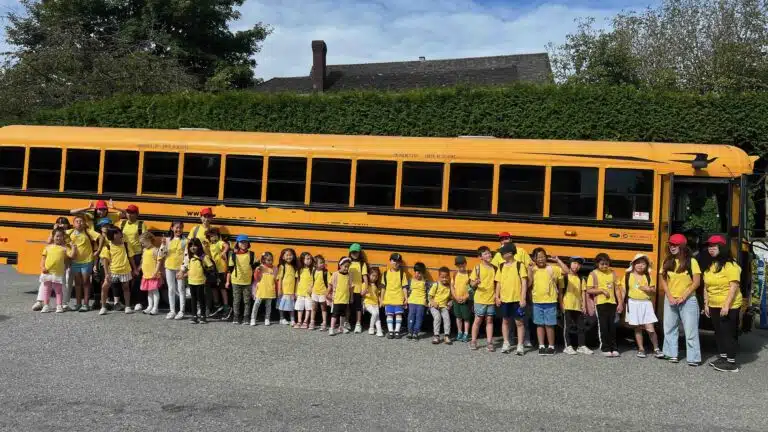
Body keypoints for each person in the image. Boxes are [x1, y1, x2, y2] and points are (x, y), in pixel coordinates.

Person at [701, 235, 743, 372]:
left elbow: (734, 286)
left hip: (729, 305)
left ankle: (731, 363)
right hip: (713, 304)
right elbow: (706, 286)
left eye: (714, 246)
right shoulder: (711, 265)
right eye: (709, 246)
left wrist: (726, 305)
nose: (711, 249)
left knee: (728, 333)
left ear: (722, 248)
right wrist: (706, 303)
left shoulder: (731, 265)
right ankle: (723, 357)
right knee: (718, 332)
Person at [660, 233, 702, 366]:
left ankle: (694, 358)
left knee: (691, 330)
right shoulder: (667, 261)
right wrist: (670, 296)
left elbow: (696, 282)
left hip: (688, 300)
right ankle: (671, 354)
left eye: (675, 245)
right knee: (669, 328)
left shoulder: (692, 261)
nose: (672, 247)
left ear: (682, 246)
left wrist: (684, 296)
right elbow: (663, 280)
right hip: (671, 299)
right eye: (671, 244)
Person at [624, 254, 662, 358]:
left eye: (643, 263)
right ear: (633, 264)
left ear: (646, 265)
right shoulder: (627, 275)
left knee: (650, 328)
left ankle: (656, 348)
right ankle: (641, 349)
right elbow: (623, 291)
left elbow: (653, 290)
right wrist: (620, 305)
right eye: (638, 263)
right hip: (633, 303)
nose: (640, 265)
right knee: (637, 328)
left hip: (646, 303)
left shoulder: (648, 276)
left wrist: (648, 289)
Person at [586, 253, 624, 357]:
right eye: (602, 264)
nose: (604, 266)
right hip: (600, 303)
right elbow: (589, 289)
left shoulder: (613, 273)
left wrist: (620, 303)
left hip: (612, 303)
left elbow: (617, 289)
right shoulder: (593, 274)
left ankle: (614, 348)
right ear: (597, 264)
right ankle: (605, 348)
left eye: (606, 264)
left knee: (612, 326)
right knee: (603, 326)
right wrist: (601, 290)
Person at [494, 243, 528, 355]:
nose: (501, 254)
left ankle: (520, 345)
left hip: (516, 299)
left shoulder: (519, 265)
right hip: (504, 299)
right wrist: (497, 296)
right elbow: (498, 282)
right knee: (505, 321)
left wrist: (523, 298)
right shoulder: (501, 266)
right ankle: (506, 343)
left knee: (519, 322)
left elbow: (524, 282)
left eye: (503, 252)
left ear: (510, 253)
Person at [555, 257, 592, 355]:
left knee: (581, 327)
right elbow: (561, 293)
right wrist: (561, 304)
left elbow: (583, 293)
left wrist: (584, 305)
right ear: (570, 264)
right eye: (574, 263)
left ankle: (581, 345)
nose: (576, 266)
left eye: (579, 264)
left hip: (577, 306)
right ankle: (567, 346)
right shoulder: (565, 277)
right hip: (567, 305)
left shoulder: (581, 278)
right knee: (566, 327)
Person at [63, 214, 100, 312]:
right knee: (78, 283)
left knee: (86, 282)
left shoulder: (88, 232)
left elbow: (101, 237)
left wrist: (98, 250)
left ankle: (86, 304)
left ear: (84, 223)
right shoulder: (69, 232)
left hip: (87, 260)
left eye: (81, 221)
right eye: (77, 221)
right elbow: (57, 233)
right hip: (75, 261)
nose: (79, 223)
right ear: (73, 224)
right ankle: (78, 303)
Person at [529, 248, 562, 356]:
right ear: (534, 259)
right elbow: (529, 284)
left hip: (550, 301)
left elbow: (566, 271)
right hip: (537, 301)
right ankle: (541, 345)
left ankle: (551, 346)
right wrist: (529, 270)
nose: (541, 259)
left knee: (550, 325)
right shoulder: (533, 269)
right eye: (538, 257)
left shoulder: (552, 268)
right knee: (539, 324)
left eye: (543, 256)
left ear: (546, 257)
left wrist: (558, 260)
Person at [98, 227, 138, 316]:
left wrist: (134, 269)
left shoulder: (126, 245)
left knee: (126, 288)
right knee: (105, 287)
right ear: (113, 235)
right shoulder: (107, 247)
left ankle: (127, 306)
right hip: (112, 271)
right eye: (119, 233)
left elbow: (131, 258)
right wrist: (106, 273)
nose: (121, 234)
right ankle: (103, 307)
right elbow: (105, 261)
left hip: (125, 270)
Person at [38, 228, 76, 313]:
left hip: (58, 273)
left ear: (63, 237)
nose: (59, 238)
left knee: (58, 290)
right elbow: (43, 259)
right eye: (57, 236)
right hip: (47, 272)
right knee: (46, 289)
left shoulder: (64, 248)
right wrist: (42, 267)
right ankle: (46, 305)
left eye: (61, 236)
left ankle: (59, 306)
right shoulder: (47, 248)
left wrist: (73, 247)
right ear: (53, 237)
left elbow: (71, 256)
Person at [117, 204, 146, 311]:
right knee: (125, 278)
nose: (130, 214)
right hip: (124, 254)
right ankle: (126, 301)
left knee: (137, 278)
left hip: (137, 254)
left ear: (137, 214)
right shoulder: (122, 223)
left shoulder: (141, 225)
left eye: (132, 212)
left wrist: (143, 257)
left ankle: (139, 301)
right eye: (128, 212)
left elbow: (144, 241)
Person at [470, 246, 496, 352]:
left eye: (489, 253)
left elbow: (496, 283)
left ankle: (489, 342)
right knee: (478, 320)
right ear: (480, 257)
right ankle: (473, 340)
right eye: (485, 254)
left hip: (491, 298)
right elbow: (471, 284)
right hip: (480, 299)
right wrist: (475, 283)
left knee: (489, 320)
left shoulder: (494, 268)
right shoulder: (477, 268)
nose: (488, 255)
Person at [226, 235, 257, 325]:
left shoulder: (251, 254)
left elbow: (255, 266)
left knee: (247, 300)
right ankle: (236, 316)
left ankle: (246, 317)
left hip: (247, 281)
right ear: (237, 244)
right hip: (235, 281)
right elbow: (229, 269)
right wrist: (227, 281)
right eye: (241, 242)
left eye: (245, 242)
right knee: (236, 300)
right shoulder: (233, 255)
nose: (243, 244)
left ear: (248, 244)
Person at [183, 238, 214, 324]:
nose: (193, 248)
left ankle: (203, 316)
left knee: (201, 299)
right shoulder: (189, 257)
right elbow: (188, 267)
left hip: (201, 281)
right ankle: (194, 316)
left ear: (199, 246)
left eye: (195, 245)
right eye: (191, 246)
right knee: (193, 299)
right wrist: (184, 274)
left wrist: (206, 273)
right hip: (191, 281)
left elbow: (211, 266)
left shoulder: (203, 256)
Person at [381, 253, 409, 339]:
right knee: (389, 315)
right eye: (394, 261)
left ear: (400, 263)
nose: (396, 263)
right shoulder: (385, 274)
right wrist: (381, 299)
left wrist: (406, 299)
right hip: (388, 298)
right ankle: (390, 331)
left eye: (398, 261)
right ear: (390, 261)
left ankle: (397, 331)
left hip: (399, 299)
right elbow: (383, 288)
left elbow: (404, 287)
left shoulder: (402, 274)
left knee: (398, 315)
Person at [163, 221, 187, 320]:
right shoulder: (167, 240)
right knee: (171, 289)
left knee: (181, 289)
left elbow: (187, 256)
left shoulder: (185, 241)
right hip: (169, 267)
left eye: (180, 228)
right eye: (176, 227)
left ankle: (181, 311)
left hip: (179, 269)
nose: (178, 230)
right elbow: (162, 254)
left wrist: (183, 269)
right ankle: (172, 310)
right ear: (172, 228)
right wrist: (163, 245)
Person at [206, 228, 230, 319]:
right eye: (211, 236)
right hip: (214, 270)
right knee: (214, 287)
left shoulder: (219, 243)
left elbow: (226, 245)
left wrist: (224, 252)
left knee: (222, 288)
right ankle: (217, 305)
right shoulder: (211, 245)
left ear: (218, 236)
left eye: (215, 235)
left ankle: (226, 307)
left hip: (221, 269)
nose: (213, 237)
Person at [139, 232, 164, 315]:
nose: (142, 245)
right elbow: (143, 261)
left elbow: (159, 262)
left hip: (153, 274)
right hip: (146, 274)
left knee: (155, 291)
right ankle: (150, 306)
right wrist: (140, 268)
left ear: (149, 240)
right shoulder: (145, 250)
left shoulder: (155, 250)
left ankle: (155, 308)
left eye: (143, 243)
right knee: (149, 291)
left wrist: (156, 272)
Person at [327, 257, 353, 336]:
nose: (346, 268)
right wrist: (328, 293)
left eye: (348, 267)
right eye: (345, 266)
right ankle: (331, 328)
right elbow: (330, 284)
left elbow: (351, 287)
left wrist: (351, 297)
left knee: (343, 315)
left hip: (345, 299)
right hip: (337, 298)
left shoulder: (349, 275)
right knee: (335, 314)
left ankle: (341, 327)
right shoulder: (335, 274)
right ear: (340, 265)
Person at [347, 243, 369, 334]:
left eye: (356, 252)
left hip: (358, 289)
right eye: (352, 252)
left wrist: (365, 288)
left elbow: (365, 277)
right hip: (348, 289)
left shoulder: (362, 264)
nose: (354, 254)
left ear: (360, 253)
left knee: (358, 308)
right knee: (347, 306)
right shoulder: (348, 262)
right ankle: (346, 322)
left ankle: (358, 323)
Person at [251, 251, 277, 326]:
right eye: (268, 260)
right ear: (263, 260)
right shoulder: (260, 267)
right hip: (261, 289)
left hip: (270, 289)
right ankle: (253, 318)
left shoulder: (274, 268)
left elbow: (275, 279)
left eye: (271, 260)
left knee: (268, 306)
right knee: (256, 304)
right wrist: (257, 271)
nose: (270, 261)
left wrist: (276, 289)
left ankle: (267, 319)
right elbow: (256, 278)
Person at [429, 266, 453, 345]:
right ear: (439, 277)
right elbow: (429, 297)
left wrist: (450, 302)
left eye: (446, 277)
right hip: (434, 306)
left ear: (448, 277)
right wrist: (433, 303)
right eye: (442, 277)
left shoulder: (449, 287)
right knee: (437, 317)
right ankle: (436, 336)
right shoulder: (436, 285)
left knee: (447, 319)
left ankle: (447, 336)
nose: (444, 279)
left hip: (444, 306)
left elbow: (450, 298)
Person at [451, 256, 472, 342]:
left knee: (466, 318)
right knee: (458, 317)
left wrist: (466, 297)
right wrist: (455, 297)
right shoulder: (455, 274)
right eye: (459, 266)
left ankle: (466, 333)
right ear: (457, 266)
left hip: (466, 300)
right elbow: (452, 286)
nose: (461, 267)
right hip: (456, 299)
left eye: (462, 265)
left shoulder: (469, 274)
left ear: (465, 263)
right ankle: (460, 332)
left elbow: (471, 288)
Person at [406, 262, 429, 340]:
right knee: (411, 315)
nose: (418, 274)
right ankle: (410, 331)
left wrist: (427, 301)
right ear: (414, 272)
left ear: (423, 274)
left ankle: (416, 332)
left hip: (421, 302)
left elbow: (428, 292)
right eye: (417, 272)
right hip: (412, 301)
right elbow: (408, 291)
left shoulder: (425, 282)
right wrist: (405, 299)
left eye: (420, 273)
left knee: (419, 317)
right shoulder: (410, 281)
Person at [276, 248, 298, 325]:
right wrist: (279, 289)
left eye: (291, 255)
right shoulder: (282, 266)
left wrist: (295, 291)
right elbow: (280, 278)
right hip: (284, 290)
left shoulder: (294, 267)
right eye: (287, 255)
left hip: (291, 290)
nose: (289, 257)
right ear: (283, 257)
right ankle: (281, 318)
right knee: (281, 305)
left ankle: (292, 319)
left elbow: (296, 280)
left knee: (291, 306)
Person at [294, 252, 314, 329]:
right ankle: (299, 321)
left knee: (308, 307)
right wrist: (295, 291)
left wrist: (312, 288)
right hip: (300, 292)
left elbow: (314, 280)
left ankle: (305, 321)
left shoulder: (313, 270)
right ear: (302, 260)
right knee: (300, 307)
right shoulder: (300, 270)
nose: (309, 260)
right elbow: (297, 281)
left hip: (309, 293)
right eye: (307, 259)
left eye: (310, 259)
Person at [362, 267, 384, 336]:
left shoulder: (376, 285)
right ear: (369, 275)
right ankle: (371, 328)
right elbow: (362, 294)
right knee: (374, 313)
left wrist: (380, 302)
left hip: (375, 303)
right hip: (367, 303)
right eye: (373, 275)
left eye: (376, 276)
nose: (374, 278)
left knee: (377, 316)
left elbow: (378, 295)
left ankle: (379, 330)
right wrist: (364, 292)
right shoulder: (365, 284)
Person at [310, 255, 330, 331]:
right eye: (321, 263)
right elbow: (313, 281)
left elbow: (329, 283)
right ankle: (312, 322)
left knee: (323, 308)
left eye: (323, 262)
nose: (323, 264)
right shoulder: (314, 271)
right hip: (315, 292)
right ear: (315, 264)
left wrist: (328, 292)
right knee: (314, 308)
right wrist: (311, 289)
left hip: (323, 293)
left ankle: (324, 322)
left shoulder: (326, 272)